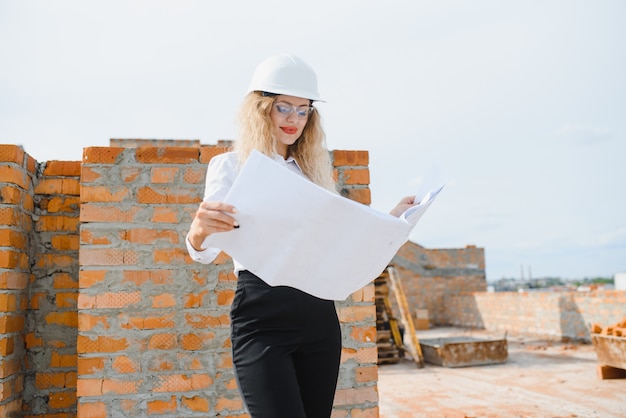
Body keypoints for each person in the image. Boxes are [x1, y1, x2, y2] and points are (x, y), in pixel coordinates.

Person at [186, 54, 416, 418]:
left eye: (303, 110)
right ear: (261, 109)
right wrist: (198, 231)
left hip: (318, 315)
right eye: (283, 108)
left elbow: (341, 244)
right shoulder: (231, 166)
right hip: (263, 316)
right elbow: (205, 251)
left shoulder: (312, 174)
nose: (294, 119)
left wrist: (390, 224)